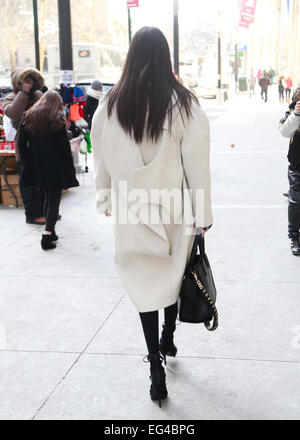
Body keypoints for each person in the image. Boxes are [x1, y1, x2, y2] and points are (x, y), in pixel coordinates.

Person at [91, 27, 213, 406]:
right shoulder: (184, 104)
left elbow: (101, 154)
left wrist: (105, 194)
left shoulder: (110, 104)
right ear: (166, 57)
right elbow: (198, 165)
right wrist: (203, 213)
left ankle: (155, 365)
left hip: (130, 212)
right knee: (172, 275)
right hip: (173, 209)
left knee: (144, 287)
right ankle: (170, 335)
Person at [18, 91, 79, 250]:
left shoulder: (27, 116)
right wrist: (68, 168)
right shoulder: (57, 120)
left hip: (35, 165)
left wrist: (26, 161)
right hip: (54, 166)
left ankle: (50, 233)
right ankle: (47, 234)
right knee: (53, 201)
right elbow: (64, 148)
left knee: (46, 197)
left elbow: (20, 143)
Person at [3, 68, 46, 225]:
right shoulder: (11, 97)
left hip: (42, 145)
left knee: (43, 181)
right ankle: (33, 215)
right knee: (28, 182)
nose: (30, 83)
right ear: (19, 82)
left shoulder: (39, 96)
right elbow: (13, 113)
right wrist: (23, 93)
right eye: (26, 80)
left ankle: (45, 210)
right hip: (24, 147)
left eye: (32, 80)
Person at [279, 88, 300, 256]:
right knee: (295, 203)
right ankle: (295, 238)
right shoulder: (291, 115)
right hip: (297, 166)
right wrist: (296, 115)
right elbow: (284, 132)